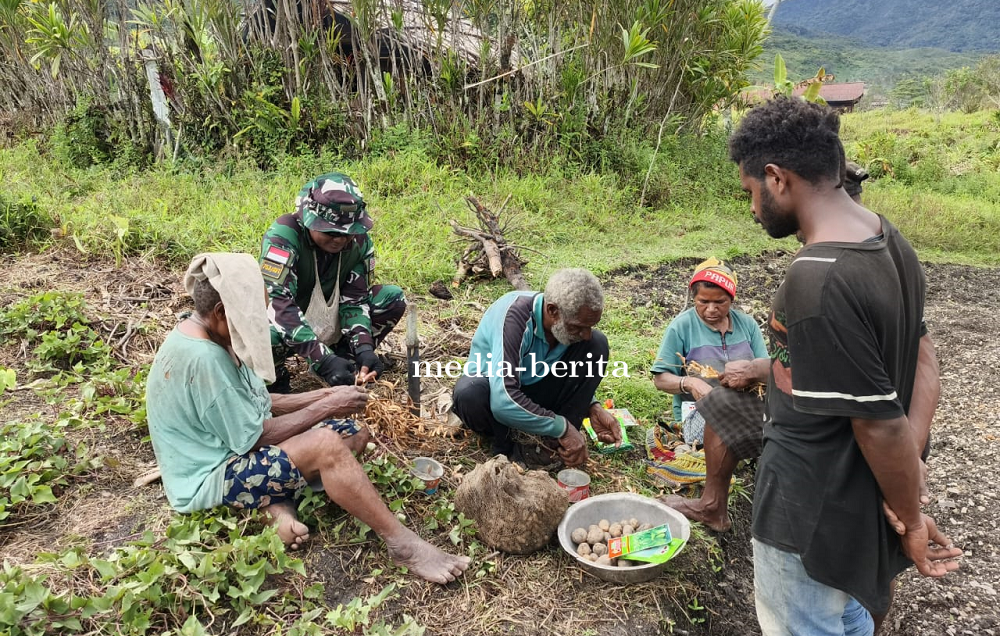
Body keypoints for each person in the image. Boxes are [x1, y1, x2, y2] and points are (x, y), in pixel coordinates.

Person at [728, 97, 960, 635]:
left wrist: (910, 509)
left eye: (750, 194)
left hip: (806, 516)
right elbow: (924, 358)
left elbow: (879, 425)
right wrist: (909, 476)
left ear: (776, 178)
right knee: (847, 619)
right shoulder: (887, 238)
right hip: (854, 505)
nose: (753, 209)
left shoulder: (816, 280)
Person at [146, 253, 470, 584]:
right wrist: (324, 408)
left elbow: (257, 402)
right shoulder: (205, 359)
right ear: (220, 313)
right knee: (326, 445)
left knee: (353, 431)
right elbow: (256, 436)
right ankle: (403, 544)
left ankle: (273, 506)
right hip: (211, 476)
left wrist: (324, 396)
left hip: (232, 447)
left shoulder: (209, 333)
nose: (258, 322)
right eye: (252, 315)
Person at [450, 268, 621, 469]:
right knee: (470, 393)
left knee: (597, 345)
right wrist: (563, 428)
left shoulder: (569, 327)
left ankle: (554, 445)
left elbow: (567, 374)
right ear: (552, 311)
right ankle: (507, 445)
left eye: (589, 326)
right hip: (495, 392)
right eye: (577, 327)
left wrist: (592, 406)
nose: (585, 334)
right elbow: (503, 400)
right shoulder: (515, 318)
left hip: (532, 389)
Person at [650, 258, 770, 532]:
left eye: (720, 302)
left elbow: (768, 369)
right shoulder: (682, 326)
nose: (711, 309)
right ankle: (717, 500)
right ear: (694, 297)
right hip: (699, 417)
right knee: (720, 403)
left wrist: (750, 374)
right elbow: (660, 379)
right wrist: (690, 383)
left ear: (732, 299)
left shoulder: (747, 325)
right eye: (703, 301)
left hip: (745, 404)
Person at [260, 173, 406, 391]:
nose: (339, 239)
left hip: (330, 318)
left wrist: (364, 347)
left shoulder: (358, 242)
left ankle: (346, 363)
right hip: (289, 321)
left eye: (347, 233)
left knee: (391, 297)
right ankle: (275, 376)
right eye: (330, 231)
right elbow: (279, 304)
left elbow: (355, 300)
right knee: (265, 336)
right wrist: (321, 359)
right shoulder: (284, 235)